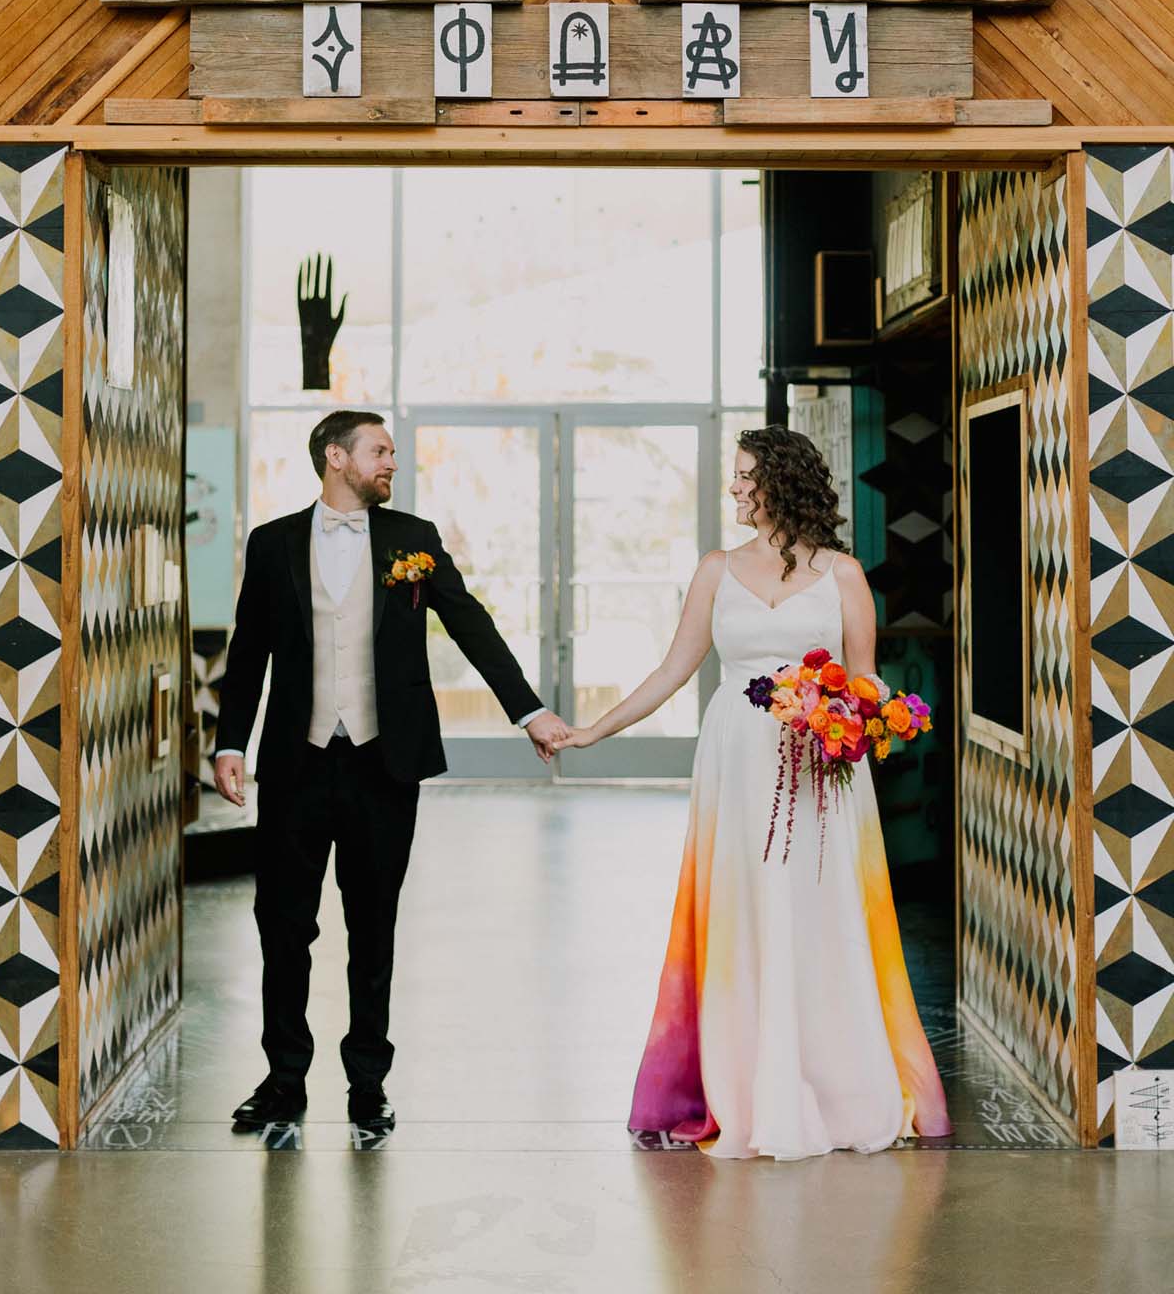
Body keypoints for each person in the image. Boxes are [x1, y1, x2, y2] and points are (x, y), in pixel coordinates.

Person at [554, 424, 951, 1158]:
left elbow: (866, 682)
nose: (735, 488)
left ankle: (835, 1083)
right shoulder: (715, 569)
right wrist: (593, 731)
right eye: (734, 477)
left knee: (822, 914)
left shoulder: (844, 575)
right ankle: (744, 1083)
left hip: (821, 771)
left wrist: (859, 718)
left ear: (783, 480)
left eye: (745, 476)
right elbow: (673, 670)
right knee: (743, 913)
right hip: (737, 766)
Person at [214, 410, 570, 1134]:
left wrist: (528, 710)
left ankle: (367, 1083)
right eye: (379, 451)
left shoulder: (414, 539)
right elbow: (249, 650)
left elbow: (470, 623)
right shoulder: (273, 542)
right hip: (295, 764)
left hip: (385, 763)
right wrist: (230, 745)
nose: (392, 463)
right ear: (336, 457)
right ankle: (284, 1080)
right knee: (283, 927)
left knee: (373, 926)